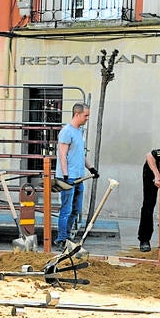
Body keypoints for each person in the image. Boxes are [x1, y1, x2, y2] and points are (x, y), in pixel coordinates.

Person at [53, 103, 99, 251]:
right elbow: (62, 154)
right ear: (77, 114)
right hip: (68, 177)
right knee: (66, 209)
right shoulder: (66, 132)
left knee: (76, 209)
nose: (87, 118)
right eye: (86, 115)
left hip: (79, 177)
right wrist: (65, 175)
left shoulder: (79, 132)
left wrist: (91, 168)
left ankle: (67, 235)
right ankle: (61, 239)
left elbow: (80, 154)